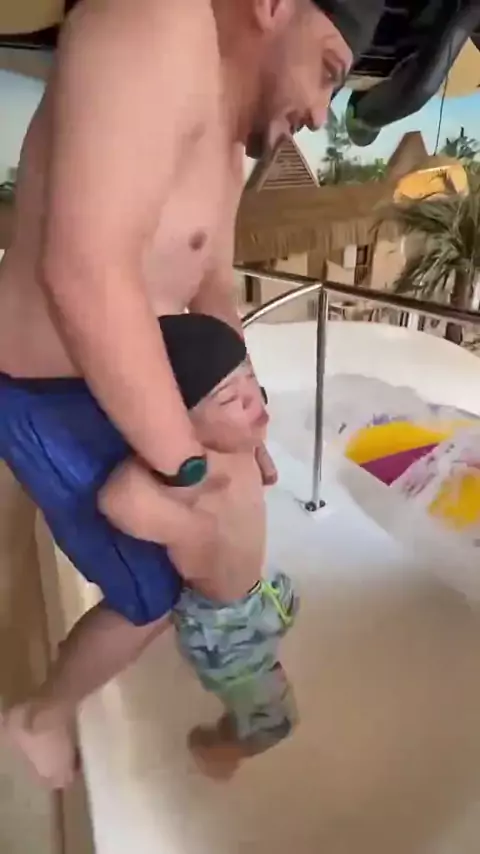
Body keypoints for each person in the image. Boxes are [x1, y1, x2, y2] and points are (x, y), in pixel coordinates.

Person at [0, 0, 384, 787]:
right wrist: (188, 468)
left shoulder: (226, 129)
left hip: (125, 383)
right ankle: (41, 717)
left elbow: (209, 286)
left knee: (207, 536)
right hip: (48, 394)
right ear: (273, 6)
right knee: (151, 590)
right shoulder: (156, 18)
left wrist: (243, 410)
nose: (321, 113)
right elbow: (84, 273)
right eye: (327, 71)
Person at [100, 313, 299, 779]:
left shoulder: (235, 437)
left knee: (273, 649)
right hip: (224, 628)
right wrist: (190, 530)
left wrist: (258, 450)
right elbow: (118, 499)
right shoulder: (194, 469)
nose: (252, 397)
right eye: (230, 397)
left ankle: (249, 693)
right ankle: (215, 752)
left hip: (254, 595)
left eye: (250, 378)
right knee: (277, 724)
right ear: (176, 426)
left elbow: (241, 415)